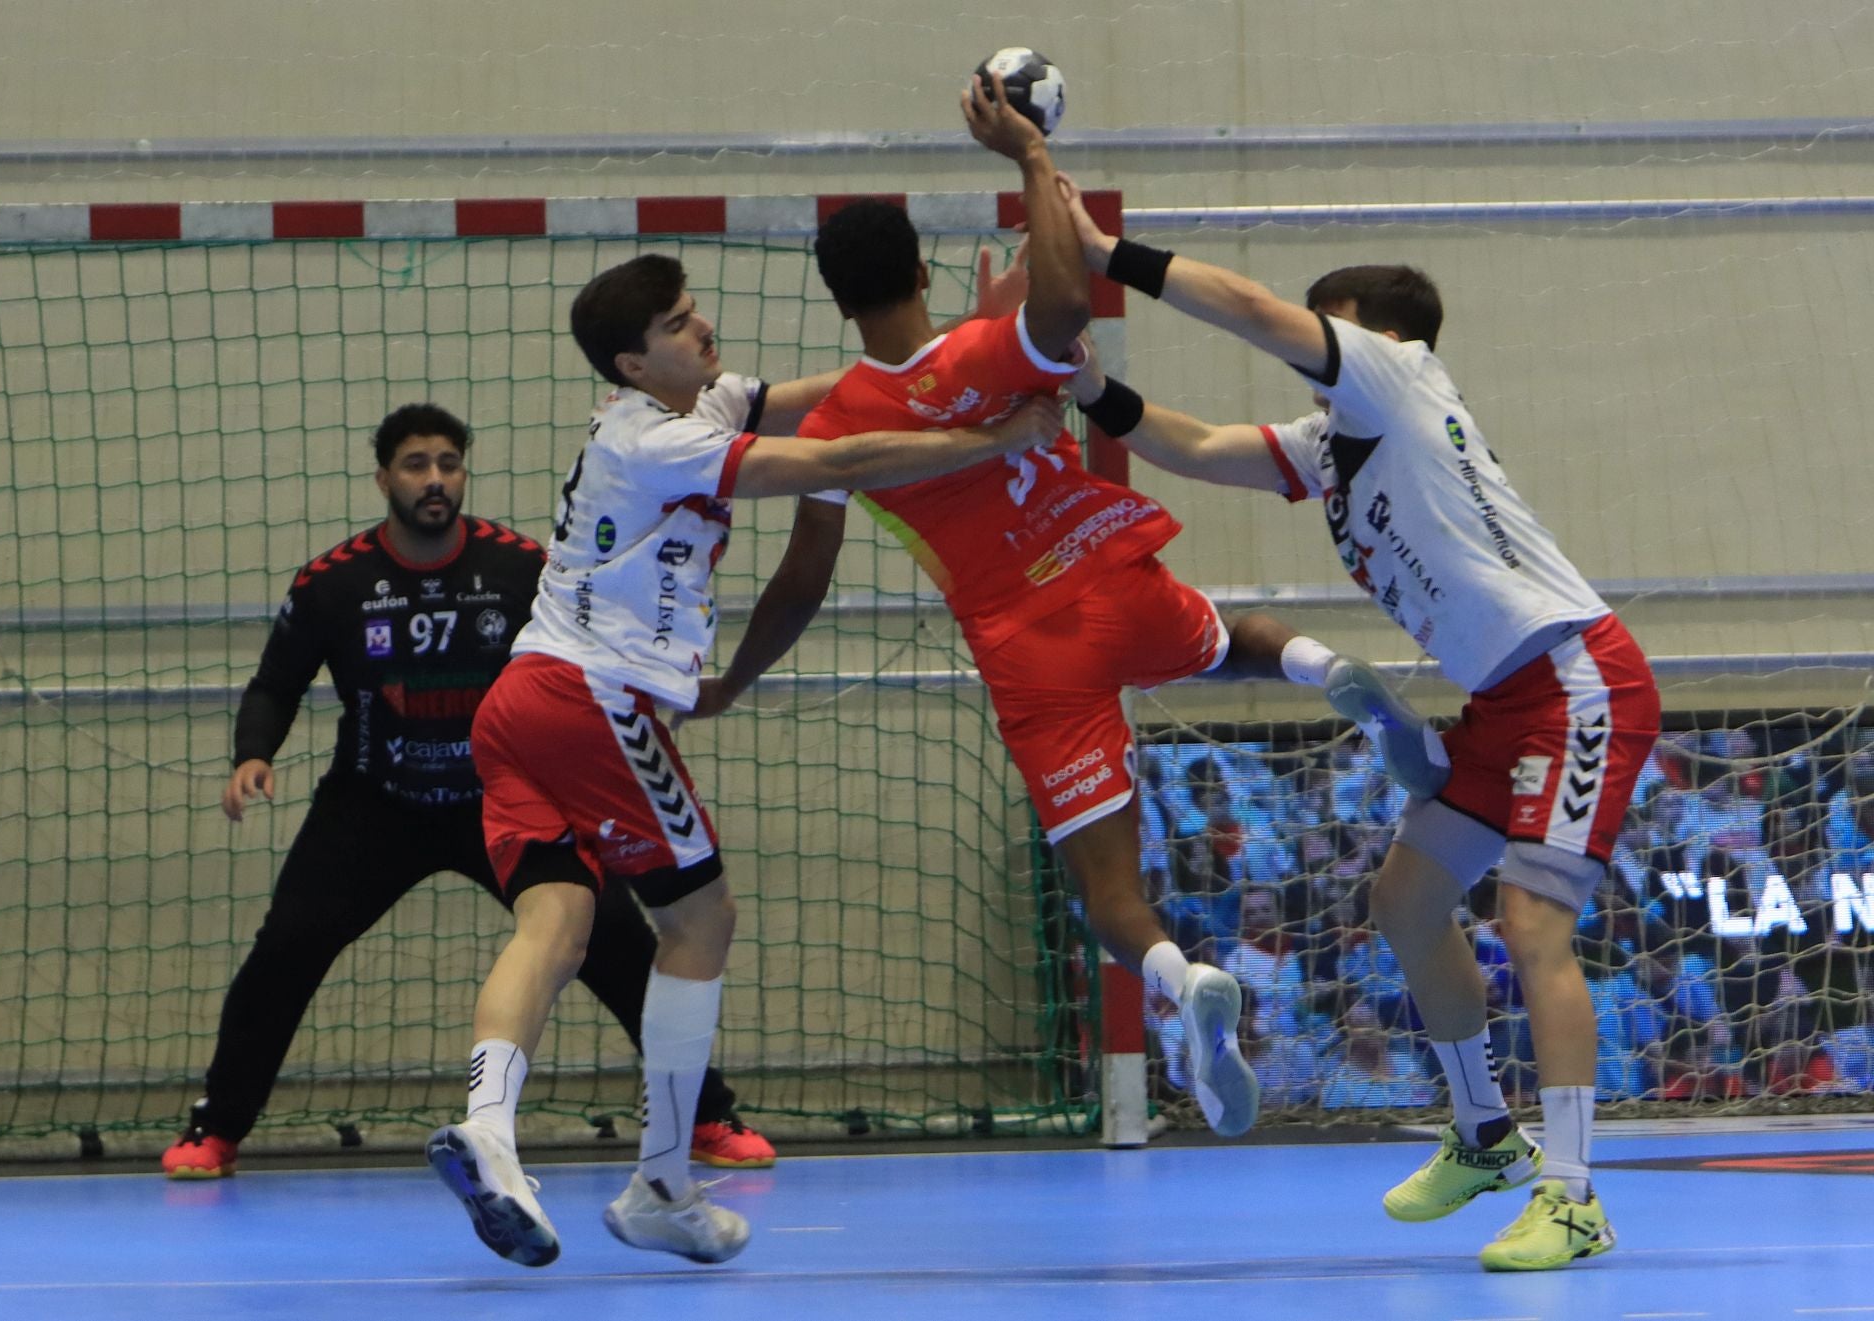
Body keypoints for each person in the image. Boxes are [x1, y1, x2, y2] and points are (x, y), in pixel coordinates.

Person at [690, 75, 1447, 1145]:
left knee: (1105, 894)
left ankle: (1183, 984)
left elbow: (803, 580)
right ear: (920, 270)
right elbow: (1061, 310)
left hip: (1026, 649)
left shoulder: (835, 426)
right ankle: (1331, 673)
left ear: (839, 301)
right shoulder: (988, 350)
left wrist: (734, 679)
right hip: (1106, 571)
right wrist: (1032, 162)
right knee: (1231, 643)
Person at [1051, 181, 1663, 1270]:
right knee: (1407, 896)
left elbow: (1241, 302)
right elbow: (1191, 445)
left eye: (1323, 323)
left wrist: (1108, 253)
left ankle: (1574, 1197)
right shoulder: (1333, 441)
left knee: (1533, 926)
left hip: (1576, 682)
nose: (1307, 344)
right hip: (1503, 702)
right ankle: (1484, 1134)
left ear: (1374, 336)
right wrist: (1091, 382)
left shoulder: (1397, 373)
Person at [422, 252, 1066, 1269]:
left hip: (519, 703)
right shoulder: (658, 441)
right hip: (590, 696)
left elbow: (840, 399)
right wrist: (991, 434)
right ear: (633, 364)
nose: (703, 328)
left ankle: (490, 1133)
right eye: (679, 326)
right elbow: (829, 461)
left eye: (694, 311)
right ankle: (665, 1182)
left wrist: (968, 350)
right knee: (702, 915)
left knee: (559, 919)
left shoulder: (707, 399)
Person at [161, 403, 774, 1180]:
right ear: (385, 478)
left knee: (615, 939)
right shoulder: (333, 582)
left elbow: (582, 648)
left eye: (448, 462)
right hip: (376, 800)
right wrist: (254, 754)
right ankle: (216, 1128)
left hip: (502, 792)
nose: (435, 479)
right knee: (285, 949)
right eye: (416, 465)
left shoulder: (522, 568)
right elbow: (275, 684)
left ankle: (706, 1114)